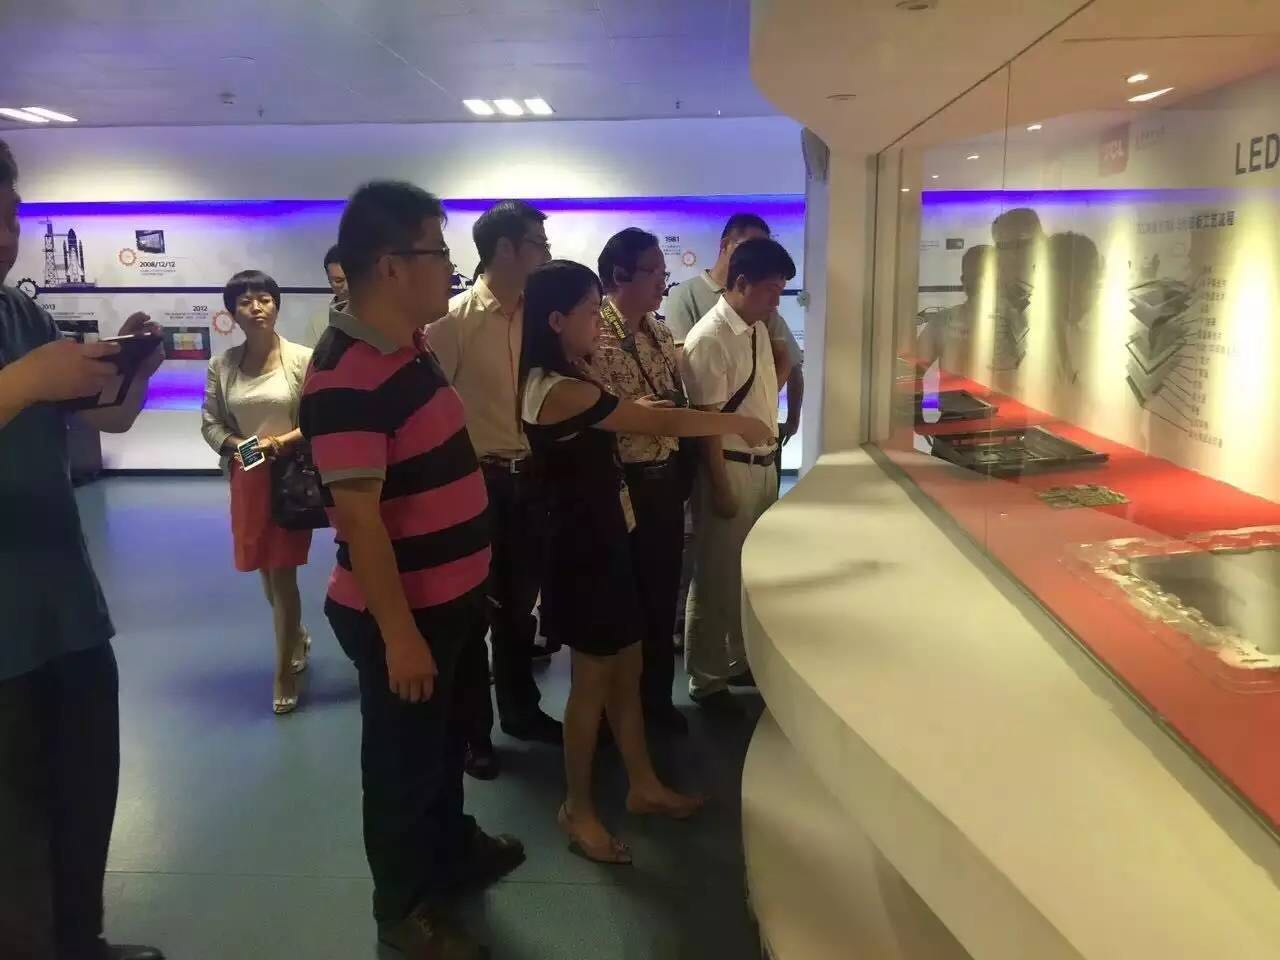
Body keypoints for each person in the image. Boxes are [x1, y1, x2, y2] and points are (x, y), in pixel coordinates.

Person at [300, 181, 523, 960]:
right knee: (402, 765)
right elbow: (360, 522)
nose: (451, 268)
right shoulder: (344, 376)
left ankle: (451, 850)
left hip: (449, 599)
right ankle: (402, 909)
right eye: (439, 251)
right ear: (392, 265)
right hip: (403, 613)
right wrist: (399, 638)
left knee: (444, 745)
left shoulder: (409, 346)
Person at [520, 259, 772, 864]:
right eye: (589, 312)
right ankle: (578, 808)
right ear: (556, 321)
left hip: (609, 534)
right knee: (591, 684)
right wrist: (734, 421)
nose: (597, 323)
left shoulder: (570, 374)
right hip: (582, 548)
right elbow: (652, 419)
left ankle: (642, 784)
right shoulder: (560, 389)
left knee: (627, 665)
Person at [0, 139, 166, 960]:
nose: (4, 238)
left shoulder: (18, 315)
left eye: (10, 218)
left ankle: (79, 940)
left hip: (64, 609)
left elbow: (106, 418)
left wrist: (133, 368)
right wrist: (27, 381)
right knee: (13, 830)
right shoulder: (25, 351)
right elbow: (30, 390)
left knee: (83, 794)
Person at [426, 199, 560, 780]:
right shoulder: (452, 322)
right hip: (475, 481)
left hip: (531, 477)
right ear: (505, 249)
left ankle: (522, 711)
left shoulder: (542, 317)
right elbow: (432, 415)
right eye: (538, 244)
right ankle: (473, 735)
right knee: (472, 614)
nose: (547, 255)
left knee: (519, 608)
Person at [679, 237, 796, 708]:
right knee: (717, 576)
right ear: (742, 282)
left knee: (747, 575)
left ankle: (736, 658)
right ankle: (706, 678)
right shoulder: (709, 338)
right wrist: (721, 487)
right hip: (728, 467)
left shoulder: (755, 330)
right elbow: (706, 424)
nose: (775, 301)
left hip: (761, 464)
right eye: (771, 290)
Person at [586, 228, 688, 738]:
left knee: (661, 596)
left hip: (666, 478)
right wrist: (633, 414)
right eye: (654, 273)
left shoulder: (661, 333)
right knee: (621, 605)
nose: (662, 283)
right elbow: (584, 415)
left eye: (664, 274)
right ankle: (615, 715)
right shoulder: (591, 335)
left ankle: (657, 702)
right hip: (620, 485)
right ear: (620, 274)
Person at [201, 270, 314, 715]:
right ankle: (297, 635)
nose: (256, 307)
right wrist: (245, 449)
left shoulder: (302, 359)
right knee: (265, 571)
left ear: (276, 305)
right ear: (233, 313)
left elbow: (317, 419)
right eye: (245, 301)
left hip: (290, 477)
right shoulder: (222, 365)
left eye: (264, 298)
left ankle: (283, 671)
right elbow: (211, 424)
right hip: (247, 474)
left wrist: (278, 444)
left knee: (283, 573)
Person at [664, 212, 804, 446]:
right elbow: (688, 371)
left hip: (759, 439)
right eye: (751, 245)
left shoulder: (761, 314)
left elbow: (786, 358)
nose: (760, 255)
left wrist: (763, 405)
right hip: (719, 437)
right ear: (726, 245)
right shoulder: (685, 296)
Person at [301, 243, 349, 347]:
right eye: (338, 281)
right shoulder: (319, 321)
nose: (346, 287)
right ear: (329, 281)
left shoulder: (382, 316)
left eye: (352, 278)